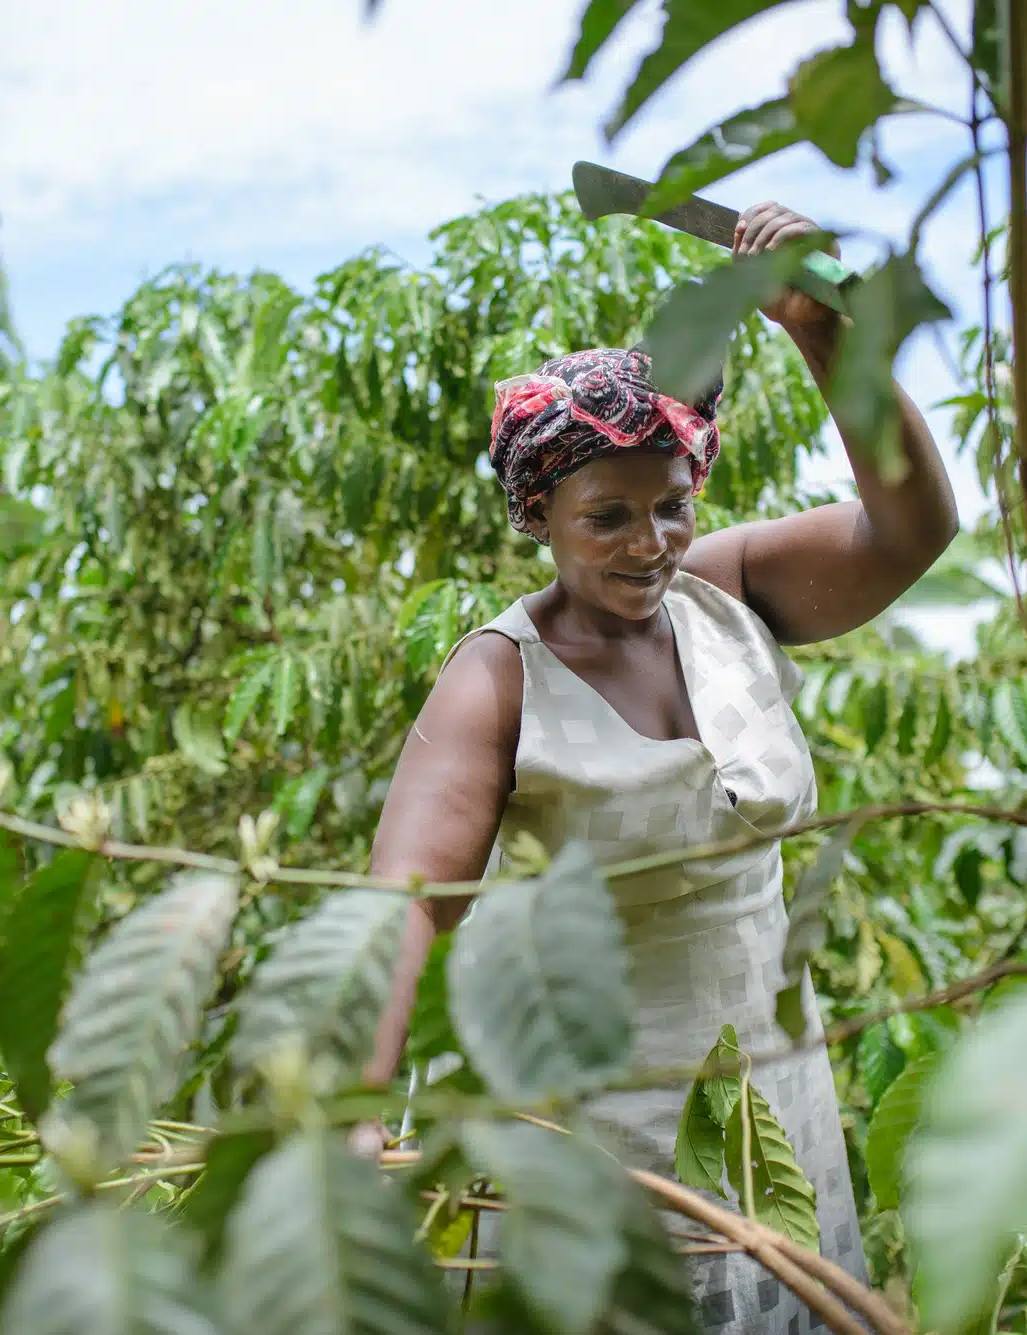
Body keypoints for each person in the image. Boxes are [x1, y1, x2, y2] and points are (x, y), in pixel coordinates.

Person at [358, 200, 959, 1333]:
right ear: (540, 514)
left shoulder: (722, 598)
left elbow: (912, 530)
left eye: (670, 507)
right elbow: (403, 906)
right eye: (607, 518)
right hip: (585, 1128)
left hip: (765, 1102)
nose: (647, 545)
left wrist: (821, 339)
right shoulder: (496, 677)